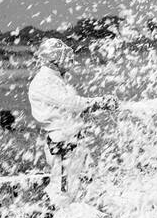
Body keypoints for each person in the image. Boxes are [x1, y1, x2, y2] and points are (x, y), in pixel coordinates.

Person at [27, 37, 117, 208]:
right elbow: (72, 103)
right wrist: (99, 102)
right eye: (62, 56)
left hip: (72, 139)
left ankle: (82, 217)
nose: (67, 60)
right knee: (62, 190)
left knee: (83, 183)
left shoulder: (55, 78)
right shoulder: (44, 81)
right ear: (53, 59)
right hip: (62, 141)